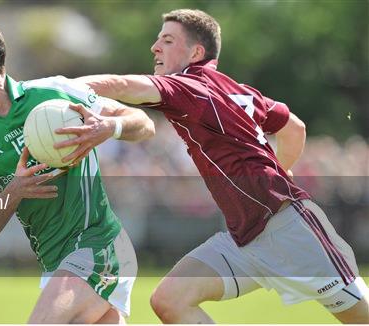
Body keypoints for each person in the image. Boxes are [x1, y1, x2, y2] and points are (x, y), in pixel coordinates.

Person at [58, 8, 369, 324]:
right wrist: (280, 170)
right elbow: (294, 128)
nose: (155, 47)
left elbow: (124, 85)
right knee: (170, 300)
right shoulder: (234, 88)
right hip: (245, 237)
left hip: (290, 229)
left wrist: (56, 86)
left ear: (195, 52)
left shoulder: (188, 85)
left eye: (167, 40)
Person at [0, 17, 155, 324]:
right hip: (56, 266)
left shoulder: (55, 93)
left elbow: (144, 124)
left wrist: (109, 127)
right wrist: (12, 193)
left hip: (100, 246)